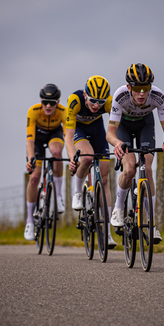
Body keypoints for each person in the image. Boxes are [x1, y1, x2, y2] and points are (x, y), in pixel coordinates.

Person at [106, 63, 164, 243]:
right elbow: (110, 134)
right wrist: (118, 143)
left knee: (148, 169)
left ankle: (152, 227)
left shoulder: (159, 97)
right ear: (129, 87)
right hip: (124, 127)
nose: (142, 94)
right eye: (137, 89)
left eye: (146, 88)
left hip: (145, 124)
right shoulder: (120, 96)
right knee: (129, 169)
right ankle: (119, 207)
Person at [66, 75, 117, 249]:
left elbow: (119, 126)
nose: (96, 105)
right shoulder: (75, 100)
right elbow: (68, 136)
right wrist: (73, 156)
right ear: (86, 95)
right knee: (87, 157)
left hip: (97, 130)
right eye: (93, 100)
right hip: (78, 130)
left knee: (104, 179)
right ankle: (78, 192)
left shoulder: (109, 102)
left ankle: (107, 233)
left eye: (100, 102)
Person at [24, 83, 67, 241]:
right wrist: (30, 159)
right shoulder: (33, 111)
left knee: (56, 153)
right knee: (34, 177)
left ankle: (58, 196)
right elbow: (29, 141)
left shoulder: (63, 112)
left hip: (54, 134)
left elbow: (68, 136)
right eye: (45, 102)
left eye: (52, 102)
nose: (48, 106)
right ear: (40, 101)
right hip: (37, 139)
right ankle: (29, 220)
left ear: (58, 102)